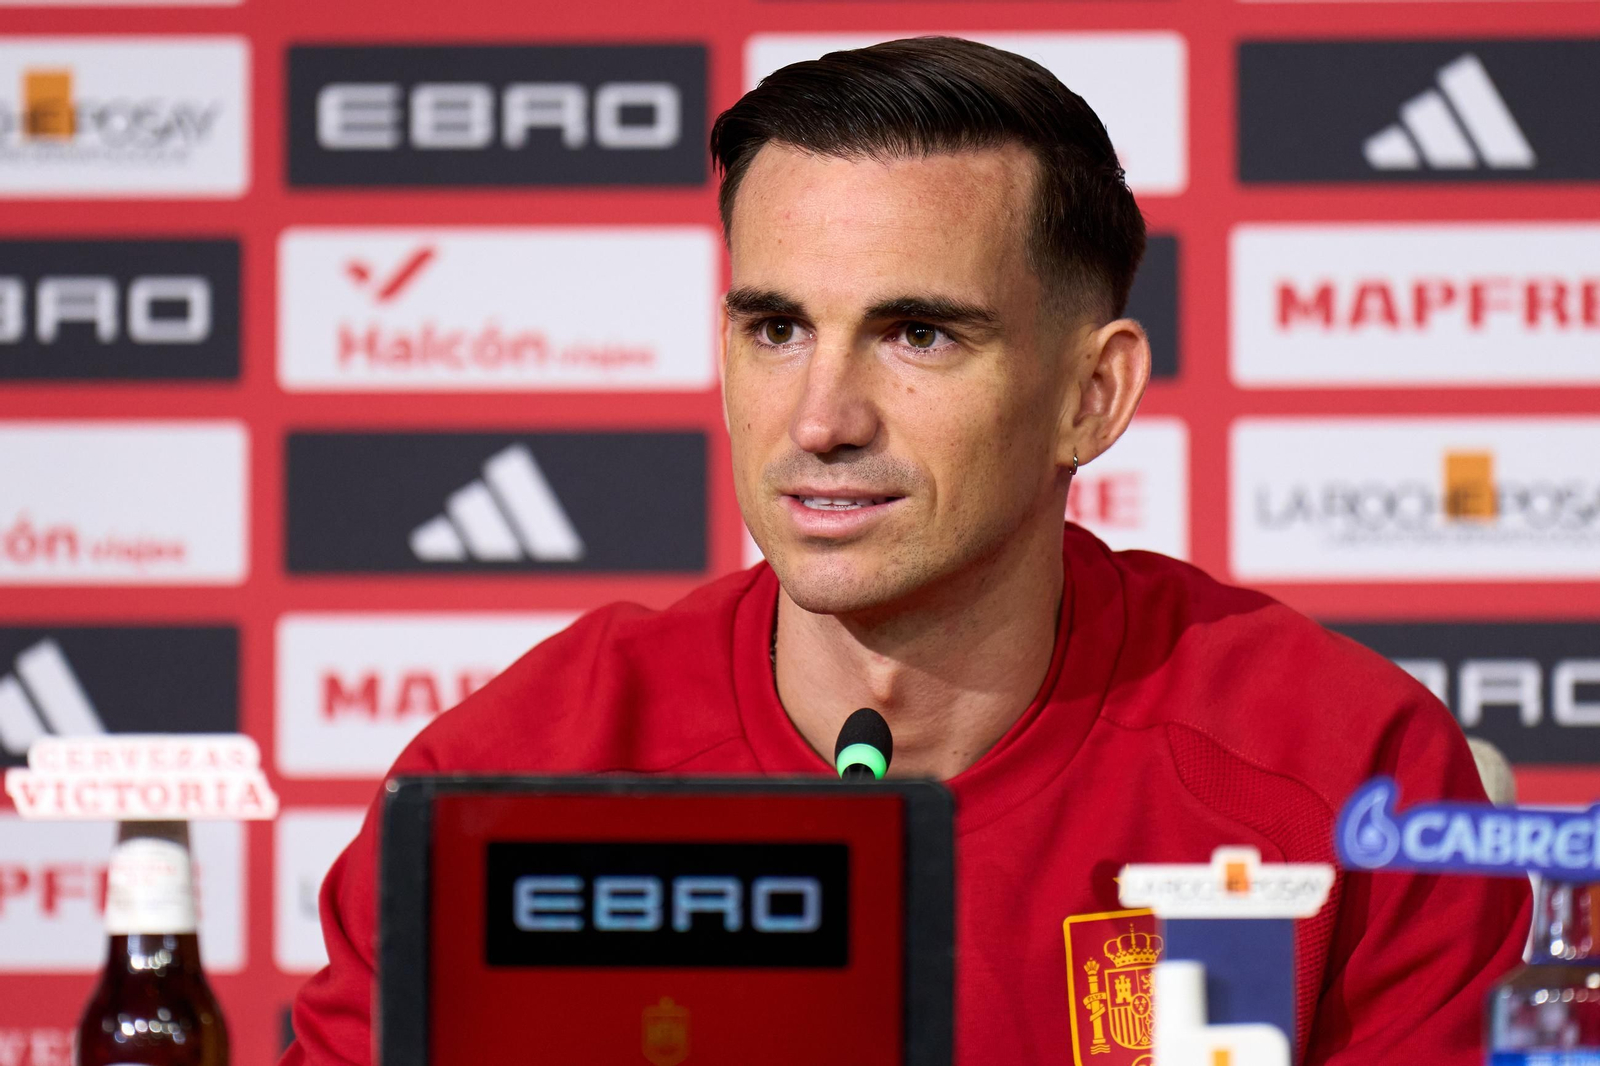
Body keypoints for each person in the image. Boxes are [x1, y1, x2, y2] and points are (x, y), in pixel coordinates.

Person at [282, 36, 1529, 1065]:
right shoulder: (514, 776)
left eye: (919, 333)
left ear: (1090, 396)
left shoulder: (1344, 769)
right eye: (774, 326)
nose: (821, 419)